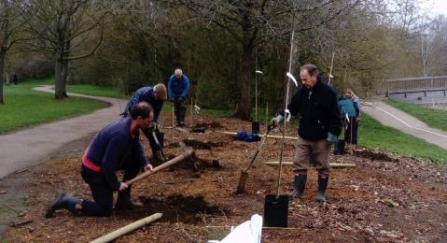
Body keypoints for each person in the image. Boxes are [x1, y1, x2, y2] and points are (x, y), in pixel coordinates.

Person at [45, 102, 155, 218]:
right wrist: (116, 185)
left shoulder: (132, 126)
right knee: (105, 209)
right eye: (148, 121)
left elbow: (136, 144)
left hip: (103, 162)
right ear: (139, 118)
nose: (150, 124)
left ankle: (124, 201)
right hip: (92, 169)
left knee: (135, 161)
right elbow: (107, 164)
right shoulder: (120, 135)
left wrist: (145, 163)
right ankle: (66, 200)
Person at [269, 64, 341, 202]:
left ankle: (321, 193)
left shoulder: (328, 92)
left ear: (314, 76)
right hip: (304, 135)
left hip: (322, 137)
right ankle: (298, 191)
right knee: (299, 161)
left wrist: (333, 134)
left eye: (305, 79)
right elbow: (292, 108)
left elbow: (335, 116)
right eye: (301, 80)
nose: (303, 82)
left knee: (323, 165)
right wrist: (279, 118)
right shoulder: (302, 92)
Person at [122, 83, 167, 163]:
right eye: (157, 97)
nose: (158, 99)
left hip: (147, 116)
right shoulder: (143, 93)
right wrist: (139, 123)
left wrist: (153, 122)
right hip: (131, 114)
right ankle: (126, 158)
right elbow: (133, 109)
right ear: (154, 92)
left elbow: (156, 112)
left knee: (155, 132)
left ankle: (157, 155)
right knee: (131, 135)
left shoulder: (160, 98)